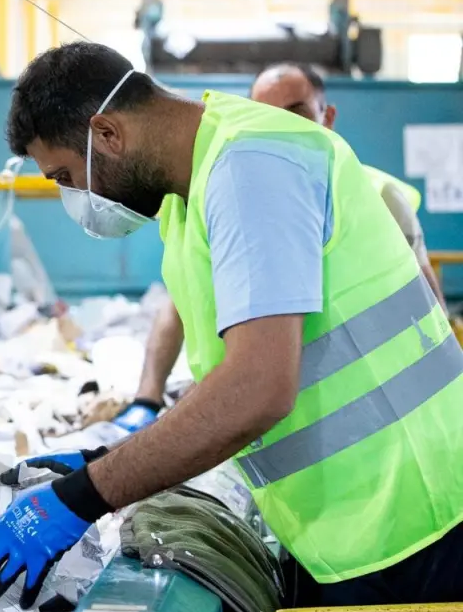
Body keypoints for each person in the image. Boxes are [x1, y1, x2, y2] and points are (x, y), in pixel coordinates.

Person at [0, 41, 463, 610]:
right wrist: (108, 458)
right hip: (353, 521)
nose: (77, 198)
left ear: (107, 133)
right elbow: (235, 373)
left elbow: (257, 389)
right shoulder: (190, 192)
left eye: (66, 175)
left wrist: (86, 495)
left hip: (419, 518)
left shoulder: (250, 167)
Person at [116, 61, 450, 431]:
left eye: (296, 113)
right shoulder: (230, 202)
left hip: (375, 417)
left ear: (327, 117)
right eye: (265, 114)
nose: (279, 126)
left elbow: (429, 313)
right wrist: (147, 400)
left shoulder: (376, 197)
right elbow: (179, 307)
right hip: (274, 431)